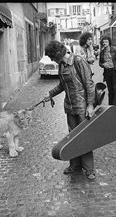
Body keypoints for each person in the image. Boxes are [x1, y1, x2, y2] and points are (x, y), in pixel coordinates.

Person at [43, 40, 97, 180]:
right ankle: (75, 164)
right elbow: (62, 85)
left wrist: (90, 105)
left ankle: (89, 168)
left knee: (84, 137)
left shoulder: (78, 61)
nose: (52, 60)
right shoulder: (61, 65)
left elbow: (89, 84)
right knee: (72, 137)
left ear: (57, 54)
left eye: (52, 57)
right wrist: (50, 94)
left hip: (82, 106)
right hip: (70, 106)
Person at [99, 36, 116, 107]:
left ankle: (115, 108)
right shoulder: (102, 52)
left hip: (115, 72)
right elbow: (100, 63)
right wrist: (103, 64)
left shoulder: (114, 50)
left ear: (109, 42)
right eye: (103, 42)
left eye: (106, 42)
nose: (104, 43)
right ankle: (110, 108)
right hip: (107, 73)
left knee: (115, 91)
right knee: (110, 91)